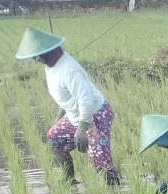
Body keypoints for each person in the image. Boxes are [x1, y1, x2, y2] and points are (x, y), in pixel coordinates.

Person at [16, 28, 119, 185]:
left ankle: (114, 192)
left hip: (96, 114)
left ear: (50, 52)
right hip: (75, 115)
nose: (36, 60)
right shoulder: (51, 66)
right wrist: (60, 117)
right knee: (55, 138)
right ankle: (69, 178)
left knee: (100, 160)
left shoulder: (68, 70)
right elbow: (68, 97)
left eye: (37, 56)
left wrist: (83, 128)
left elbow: (86, 99)